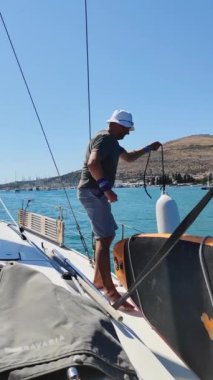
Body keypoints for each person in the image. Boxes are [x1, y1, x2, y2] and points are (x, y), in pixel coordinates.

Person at [78, 109, 161, 310]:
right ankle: (110, 292)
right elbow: (92, 163)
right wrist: (107, 190)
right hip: (94, 192)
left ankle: (99, 281)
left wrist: (148, 148)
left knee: (104, 237)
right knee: (106, 238)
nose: (128, 132)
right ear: (116, 125)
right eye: (125, 128)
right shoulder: (105, 138)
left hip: (93, 193)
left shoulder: (112, 143)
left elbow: (129, 157)